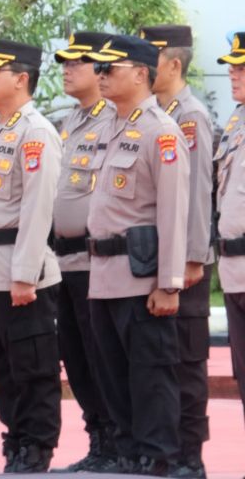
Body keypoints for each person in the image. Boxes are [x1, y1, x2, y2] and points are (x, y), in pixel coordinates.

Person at [82, 34, 189, 476]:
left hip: (141, 275)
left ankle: (156, 457)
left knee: (150, 376)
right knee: (112, 376)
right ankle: (128, 454)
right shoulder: (108, 127)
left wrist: (168, 284)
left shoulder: (161, 132)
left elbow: (174, 212)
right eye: (100, 70)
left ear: (142, 73)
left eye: (110, 69)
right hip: (104, 274)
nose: (101, 76)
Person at [0, 38, 62, 473]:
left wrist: (24, 274)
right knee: (2, 368)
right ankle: (16, 439)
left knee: (32, 366)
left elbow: (37, 208)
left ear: (21, 79)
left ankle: (35, 448)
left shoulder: (35, 132)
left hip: (18, 272)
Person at [140, 24, 215, 479]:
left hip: (186, 264)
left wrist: (190, 256)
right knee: (163, 360)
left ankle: (190, 454)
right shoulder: (155, 113)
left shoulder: (190, 116)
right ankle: (166, 451)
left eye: (152, 56)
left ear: (173, 63)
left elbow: (198, 192)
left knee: (186, 361)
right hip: (158, 260)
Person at [49, 31, 118, 473]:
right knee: (74, 356)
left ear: (101, 70)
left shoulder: (113, 119)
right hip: (63, 261)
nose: (67, 69)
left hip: (97, 262)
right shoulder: (69, 121)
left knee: (102, 356)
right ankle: (98, 438)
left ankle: (117, 439)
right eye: (65, 62)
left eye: (78, 62)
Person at [212, 32, 245, 443]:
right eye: (233, 68)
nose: (234, 75)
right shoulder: (237, 121)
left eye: (242, 67)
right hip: (235, 271)